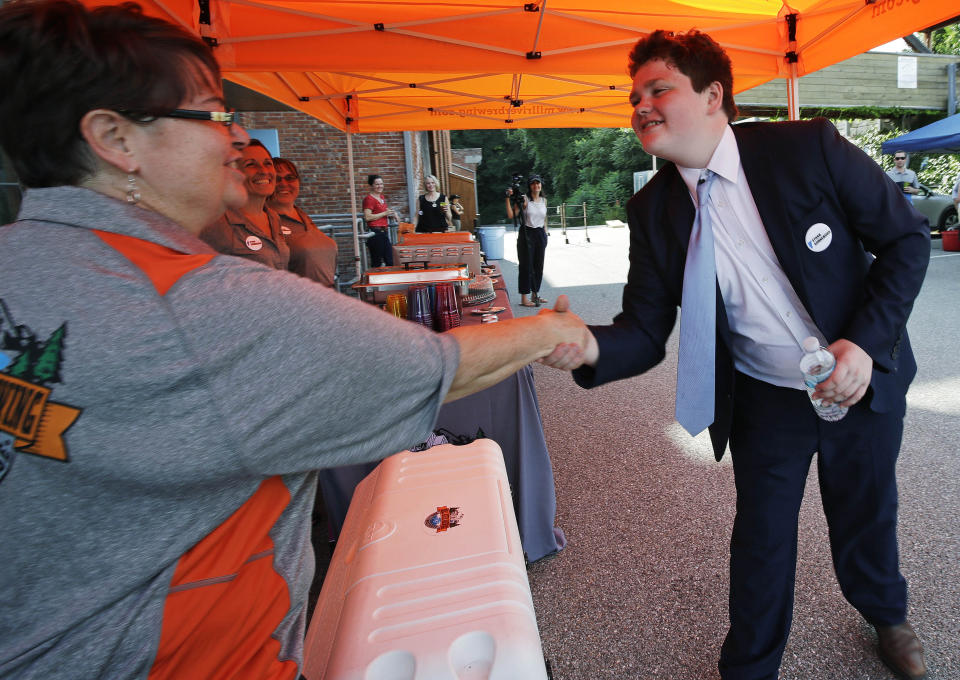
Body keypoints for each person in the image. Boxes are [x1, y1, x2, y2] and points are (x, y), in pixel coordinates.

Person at [0, 1, 591, 677]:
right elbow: (436, 368)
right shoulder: (202, 304)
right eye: (214, 114)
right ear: (115, 138)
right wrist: (548, 327)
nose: (235, 140)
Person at [544, 29, 931, 680]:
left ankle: (887, 616)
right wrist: (586, 346)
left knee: (865, 512)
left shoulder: (807, 149)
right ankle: (749, 668)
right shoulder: (652, 210)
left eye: (658, 88)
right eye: (634, 94)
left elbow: (906, 240)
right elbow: (642, 331)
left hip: (860, 377)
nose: (640, 104)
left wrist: (865, 343)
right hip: (763, 398)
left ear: (714, 94)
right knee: (762, 538)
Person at [199, 139, 290, 269]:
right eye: (251, 164)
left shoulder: (273, 218)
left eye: (268, 163)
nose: (263, 171)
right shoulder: (216, 223)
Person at [268, 157, 338, 287]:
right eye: (276, 179)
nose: (283, 183)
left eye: (290, 178)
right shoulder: (266, 221)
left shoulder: (302, 215)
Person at [505, 174, 548, 308]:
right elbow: (511, 215)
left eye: (538, 183)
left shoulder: (544, 200)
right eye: (533, 183)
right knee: (526, 266)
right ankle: (524, 298)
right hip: (527, 233)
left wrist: (545, 234)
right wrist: (507, 198)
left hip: (540, 233)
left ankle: (535, 294)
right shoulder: (525, 200)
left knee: (538, 265)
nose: (536, 186)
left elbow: (545, 218)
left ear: (541, 185)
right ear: (529, 186)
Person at [361, 174, 395, 267]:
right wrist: (384, 213)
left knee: (390, 260)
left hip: (384, 231)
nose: (380, 186)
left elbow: (382, 212)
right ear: (371, 185)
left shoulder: (382, 198)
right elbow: (367, 217)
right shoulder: (369, 199)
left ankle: (390, 280)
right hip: (375, 232)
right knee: (377, 261)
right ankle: (375, 280)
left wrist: (391, 214)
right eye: (377, 184)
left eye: (381, 184)